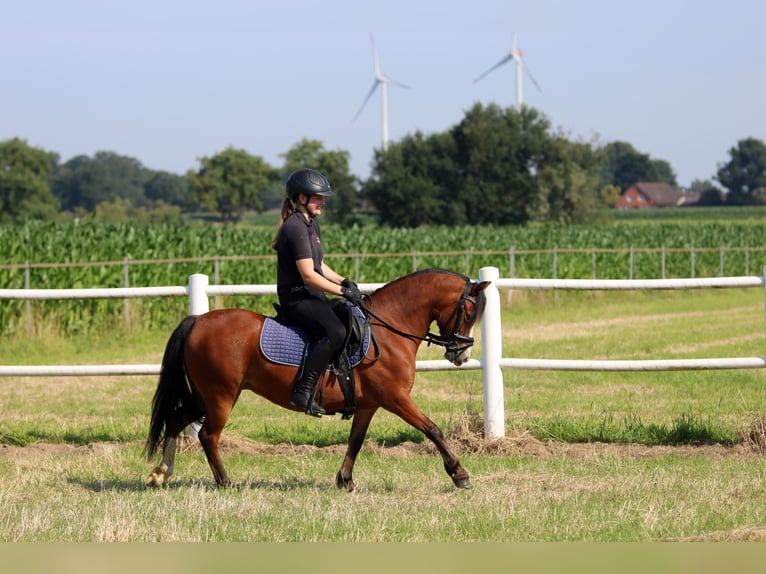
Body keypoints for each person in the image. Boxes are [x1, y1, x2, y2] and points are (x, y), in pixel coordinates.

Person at [271, 168, 363, 416]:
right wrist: (342, 292)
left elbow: (320, 265)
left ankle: (341, 387)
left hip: (311, 296)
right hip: (297, 298)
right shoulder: (295, 227)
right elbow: (309, 276)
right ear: (302, 198)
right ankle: (303, 391)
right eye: (318, 196)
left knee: (347, 316)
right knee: (335, 331)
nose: (323, 200)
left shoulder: (311, 225)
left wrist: (344, 282)